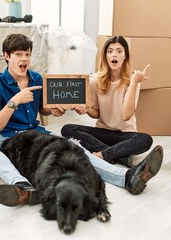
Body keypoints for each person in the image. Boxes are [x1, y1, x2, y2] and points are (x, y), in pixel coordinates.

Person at [0, 34, 163, 208]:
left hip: (36, 136)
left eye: (27, 54)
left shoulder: (36, 78)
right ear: (7, 56)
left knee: (75, 147)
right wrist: (14, 102)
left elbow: (43, 108)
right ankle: (21, 186)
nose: (24, 59)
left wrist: (53, 110)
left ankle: (127, 178)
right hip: (7, 139)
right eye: (18, 54)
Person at [61, 35, 163, 191]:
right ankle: (119, 155)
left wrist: (135, 82)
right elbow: (96, 114)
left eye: (119, 51)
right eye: (110, 51)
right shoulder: (96, 81)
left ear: (125, 56)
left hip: (125, 134)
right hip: (103, 132)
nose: (114, 55)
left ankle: (104, 155)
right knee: (67, 129)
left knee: (145, 139)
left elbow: (126, 115)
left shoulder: (132, 81)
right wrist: (86, 108)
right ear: (105, 56)